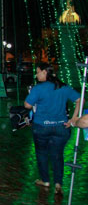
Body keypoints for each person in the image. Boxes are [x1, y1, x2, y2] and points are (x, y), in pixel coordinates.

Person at [24, 63, 81, 195]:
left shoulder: (38, 88)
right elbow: (79, 99)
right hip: (61, 127)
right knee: (57, 154)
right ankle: (58, 182)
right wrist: (73, 118)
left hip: (42, 126)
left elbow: (27, 105)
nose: (36, 74)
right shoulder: (63, 87)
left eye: (38, 72)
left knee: (42, 153)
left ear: (45, 72)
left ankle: (45, 180)